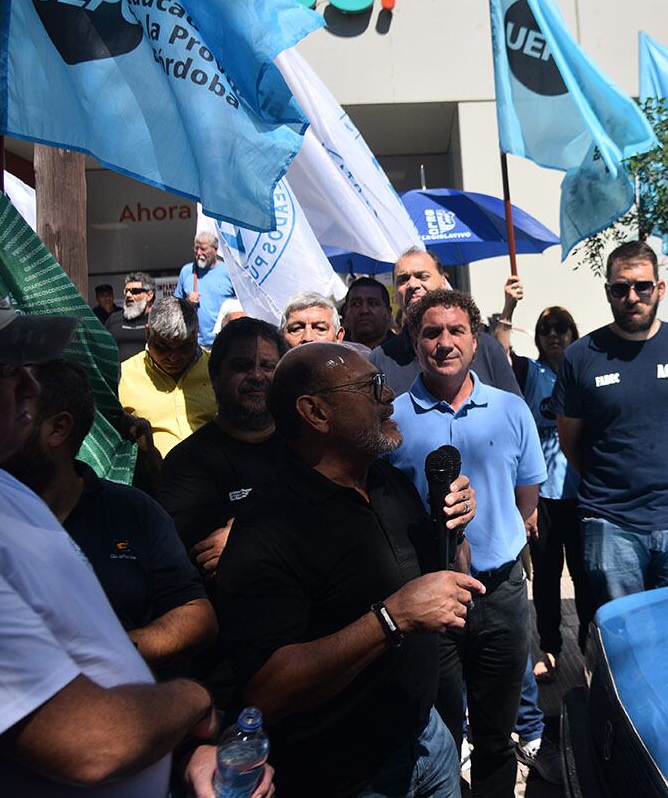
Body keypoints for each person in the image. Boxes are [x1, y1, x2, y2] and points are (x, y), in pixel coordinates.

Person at [0, 258, 261, 797]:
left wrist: (178, 749)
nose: (30, 384)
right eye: (2, 368)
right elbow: (93, 744)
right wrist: (194, 703)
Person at [215, 342, 480, 796]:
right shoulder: (268, 527)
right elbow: (267, 689)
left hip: (427, 739)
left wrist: (455, 531)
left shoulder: (388, 481)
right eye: (369, 386)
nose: (389, 395)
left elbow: (448, 576)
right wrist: (390, 618)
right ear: (315, 412)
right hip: (349, 777)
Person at [384, 289, 547, 798]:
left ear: (475, 342)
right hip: (428, 603)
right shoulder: (390, 421)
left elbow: (526, 501)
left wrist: (495, 538)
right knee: (441, 739)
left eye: (456, 331)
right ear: (414, 341)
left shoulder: (512, 410)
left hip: (499, 594)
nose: (445, 343)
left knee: (498, 736)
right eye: (432, 332)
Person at [1, 359, 217, 675]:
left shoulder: (132, 511)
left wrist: (105, 655)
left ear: (58, 429)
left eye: (12, 414)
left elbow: (196, 617)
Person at [554, 241, 668, 608]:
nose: (632, 296)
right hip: (611, 524)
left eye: (642, 286)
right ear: (608, 292)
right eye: (621, 288)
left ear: (659, 288)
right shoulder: (581, 356)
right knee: (624, 635)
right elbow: (571, 442)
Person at [498, 275, 590, 676]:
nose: (553, 335)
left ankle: (591, 647)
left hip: (584, 491)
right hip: (543, 496)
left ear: (573, 333)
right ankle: (550, 650)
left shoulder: (585, 372)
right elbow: (498, 350)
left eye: (561, 328)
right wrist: (508, 307)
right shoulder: (528, 371)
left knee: (588, 576)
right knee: (547, 577)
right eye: (545, 330)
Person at [159, 317, 286, 569]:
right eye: (242, 366)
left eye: (268, 366)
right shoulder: (186, 463)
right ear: (215, 376)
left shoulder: (308, 445)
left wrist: (244, 535)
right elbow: (208, 558)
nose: (257, 376)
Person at [371, 248, 521, 396]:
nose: (412, 285)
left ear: (443, 282)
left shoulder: (487, 349)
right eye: (403, 280)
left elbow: (514, 413)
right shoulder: (381, 359)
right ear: (395, 294)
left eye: (422, 276)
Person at [119, 297, 216, 458]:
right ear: (147, 332)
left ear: (196, 334)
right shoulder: (124, 375)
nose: (173, 357)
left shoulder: (217, 368)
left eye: (184, 347)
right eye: (162, 347)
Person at [174, 231, 235, 349]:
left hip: (224, 342)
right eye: (196, 249)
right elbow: (175, 306)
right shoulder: (187, 271)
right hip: (195, 344)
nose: (198, 253)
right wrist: (187, 302)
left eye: (203, 249)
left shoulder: (229, 272)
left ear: (215, 249)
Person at [107, 271, 155, 362]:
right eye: (126, 291)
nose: (128, 295)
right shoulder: (113, 320)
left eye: (135, 291)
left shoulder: (157, 321)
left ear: (149, 295)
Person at [342, 276, 395, 349]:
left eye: (373, 303)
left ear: (388, 313)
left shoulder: (404, 355)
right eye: (356, 304)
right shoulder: (333, 352)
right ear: (345, 312)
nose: (364, 310)